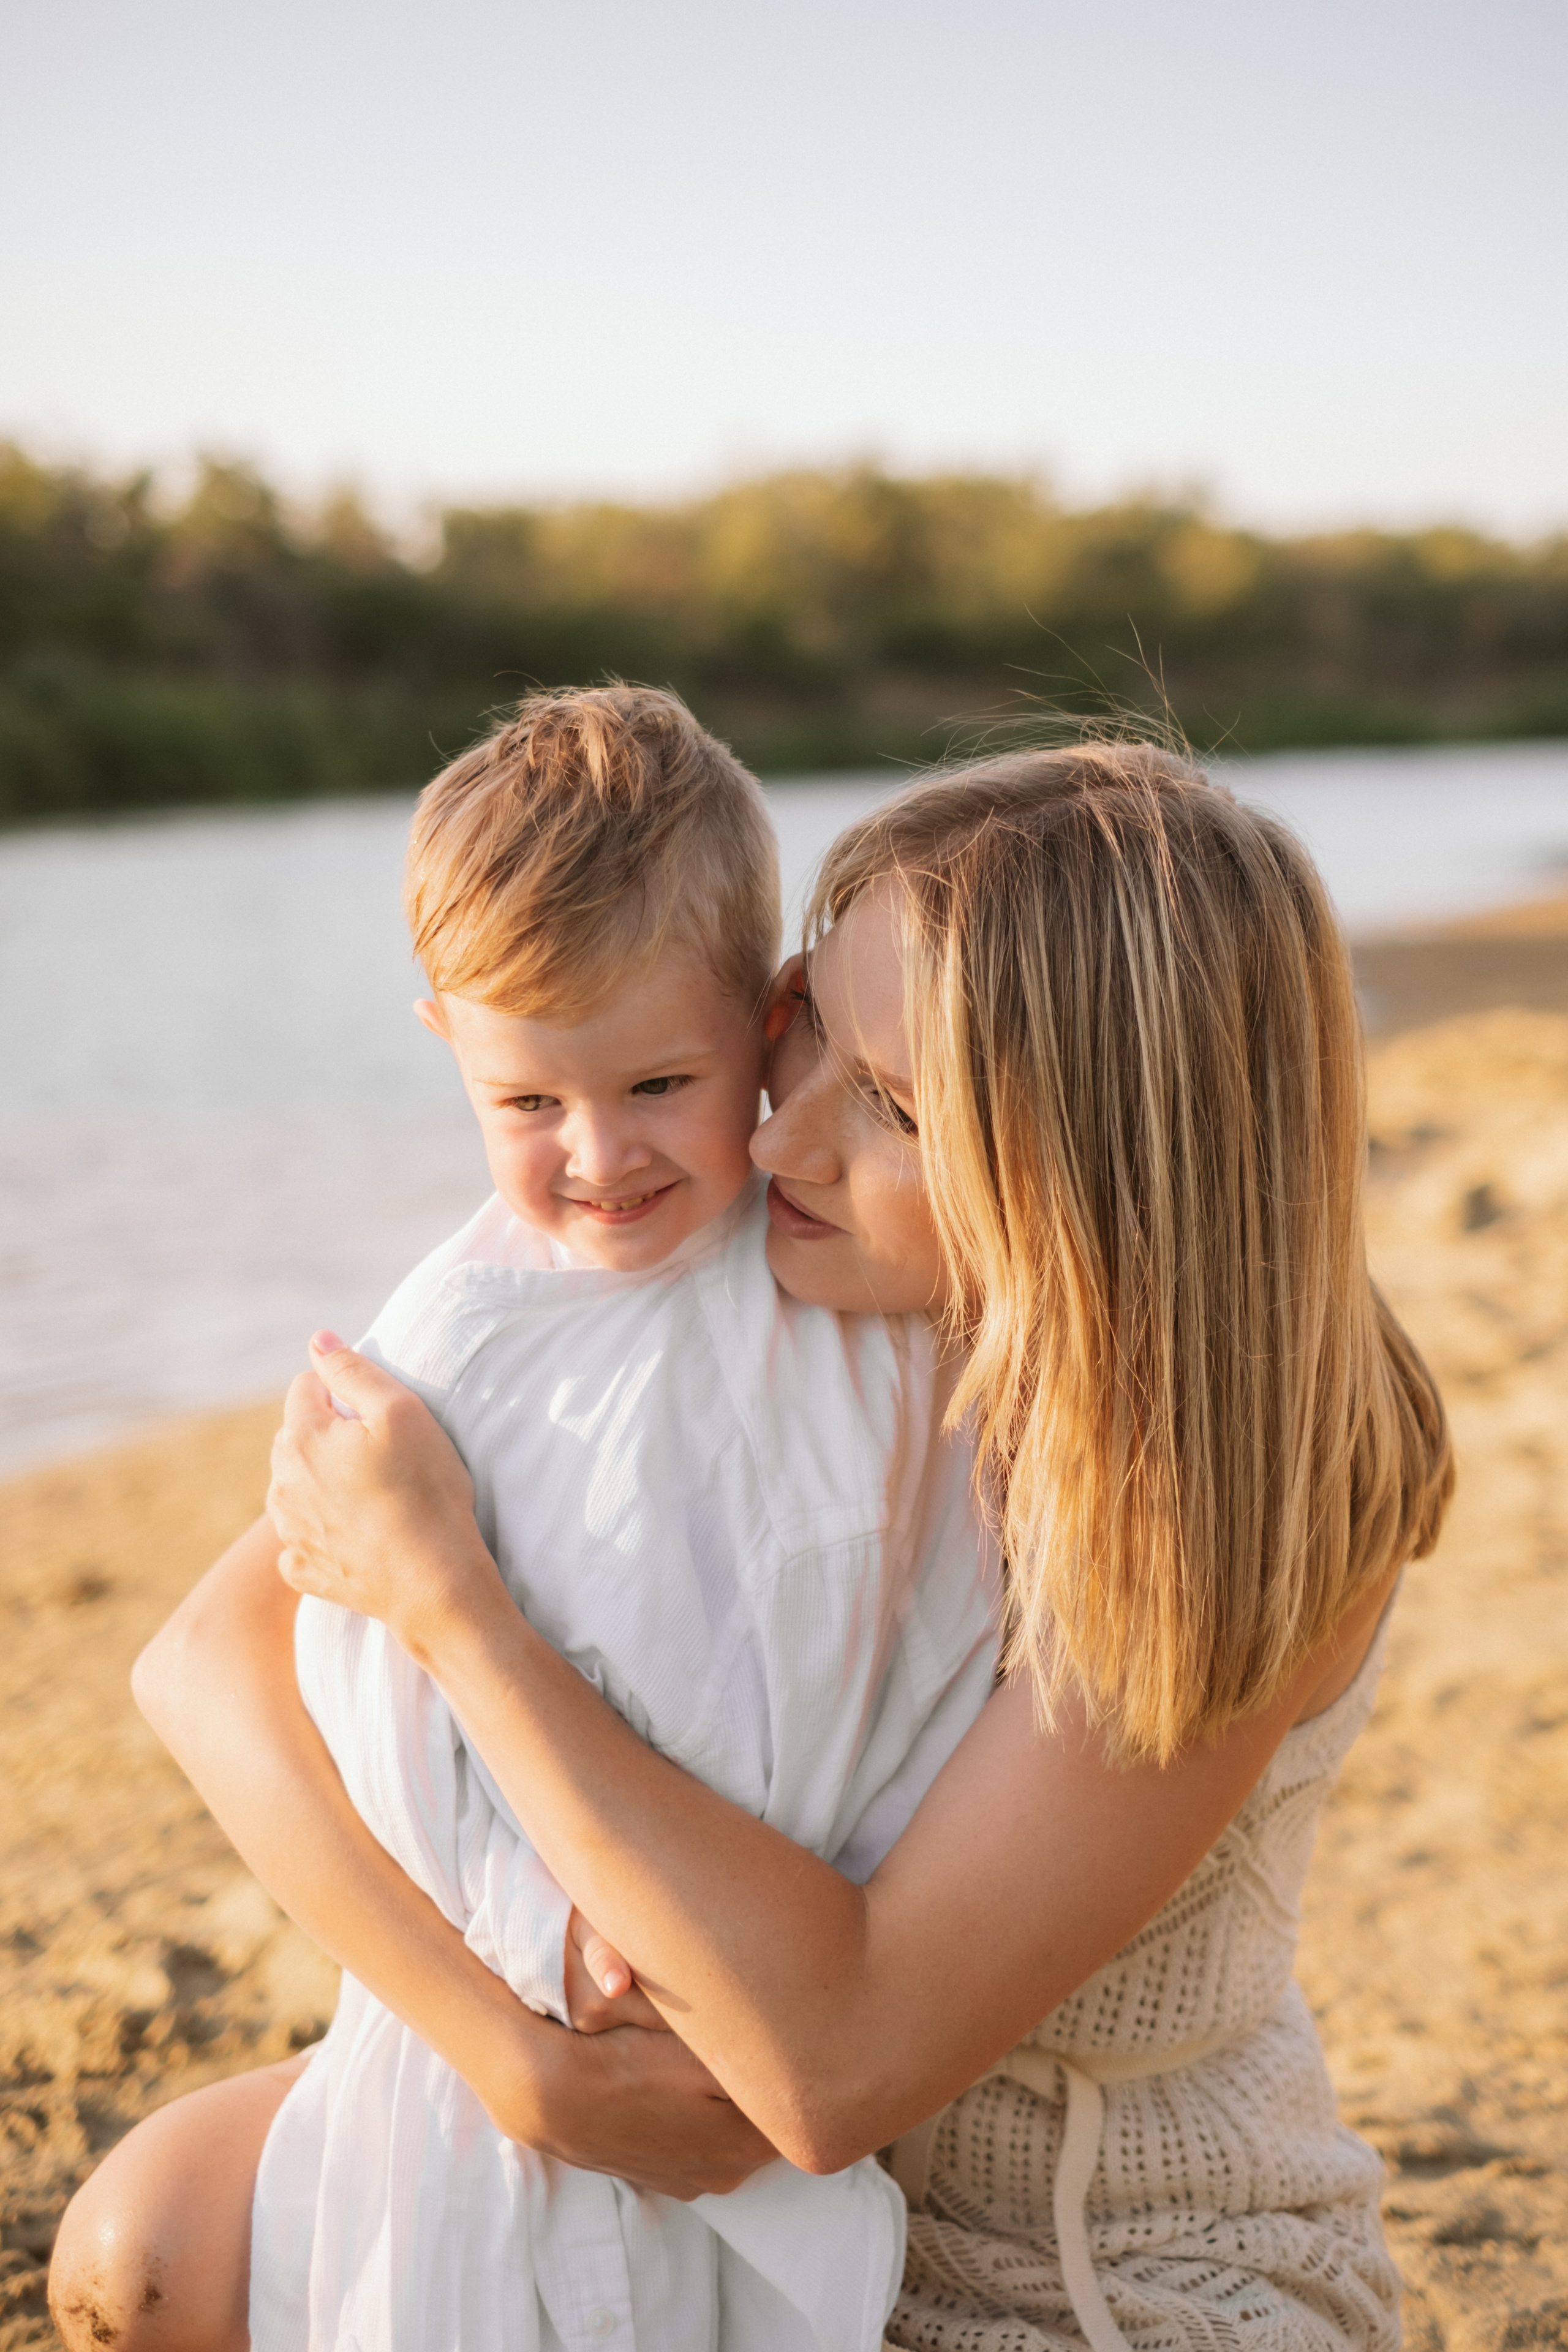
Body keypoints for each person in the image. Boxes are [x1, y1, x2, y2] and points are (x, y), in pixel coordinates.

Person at [55, 741, 1453, 2352]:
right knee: (146, 2243)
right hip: (705, 2183)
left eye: (897, 1110)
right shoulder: (772, 1252)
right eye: (798, 1037)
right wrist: (520, 2066)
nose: (782, 1141)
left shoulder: (1227, 1477)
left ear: (1092, 1163)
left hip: (1069, 2274)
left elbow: (836, 2064)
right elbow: (214, 1661)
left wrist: (464, 1620)